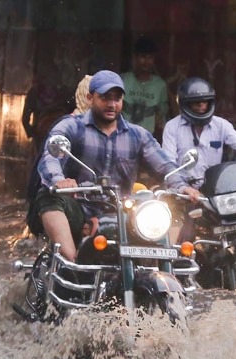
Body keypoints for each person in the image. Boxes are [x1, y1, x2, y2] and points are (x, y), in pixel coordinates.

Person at [27, 70, 201, 259]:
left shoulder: (138, 135)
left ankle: (162, 260)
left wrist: (182, 186)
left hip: (123, 213)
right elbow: (50, 157)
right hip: (80, 210)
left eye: (117, 98)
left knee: (173, 200)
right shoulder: (71, 126)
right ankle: (71, 262)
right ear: (90, 98)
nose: (112, 104)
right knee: (48, 195)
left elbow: (165, 166)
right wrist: (59, 180)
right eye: (105, 98)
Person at [162, 76, 236, 242]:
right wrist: (183, 188)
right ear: (185, 104)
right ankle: (184, 262)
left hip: (215, 190)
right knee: (185, 239)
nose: (202, 106)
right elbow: (168, 163)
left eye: (205, 102)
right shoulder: (172, 127)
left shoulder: (221, 125)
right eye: (197, 103)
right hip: (187, 193)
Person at [120, 36, 169, 138]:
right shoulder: (124, 80)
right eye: (143, 57)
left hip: (148, 139)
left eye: (150, 57)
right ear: (135, 58)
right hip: (123, 136)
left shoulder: (160, 85)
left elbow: (162, 117)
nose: (146, 62)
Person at [21, 70, 72, 155]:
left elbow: (25, 119)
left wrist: (32, 132)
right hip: (59, 129)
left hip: (42, 131)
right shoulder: (63, 91)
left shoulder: (35, 92)